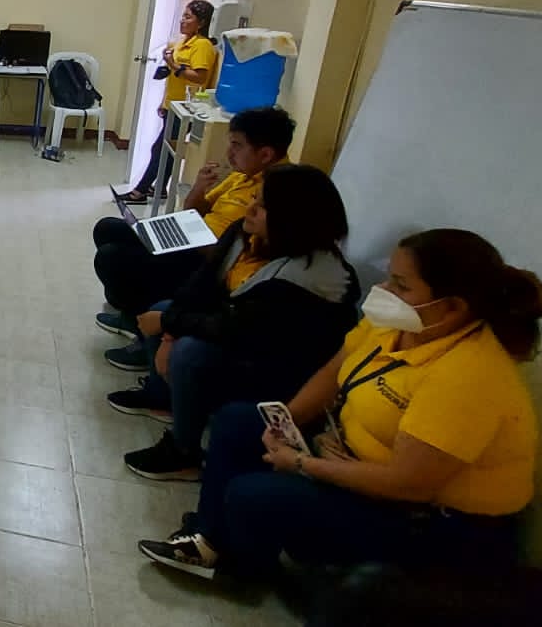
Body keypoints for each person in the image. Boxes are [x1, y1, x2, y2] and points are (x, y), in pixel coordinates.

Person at [137, 229, 542, 581]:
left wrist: (305, 464)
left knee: (252, 494)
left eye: (402, 286)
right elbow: (334, 372)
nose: (385, 291)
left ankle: (241, 565)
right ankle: (210, 539)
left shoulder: (469, 375)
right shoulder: (397, 326)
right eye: (390, 277)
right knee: (237, 422)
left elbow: (410, 484)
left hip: (430, 519)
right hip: (354, 457)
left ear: (454, 306)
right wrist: (285, 422)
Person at [108, 165, 360, 481]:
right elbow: (202, 284)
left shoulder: (313, 276)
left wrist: (171, 326)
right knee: (165, 311)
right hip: (241, 332)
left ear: (293, 219)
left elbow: (241, 329)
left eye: (263, 205)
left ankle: (183, 451)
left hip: (282, 370)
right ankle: (162, 399)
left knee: (189, 351)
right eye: (254, 198)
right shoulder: (247, 232)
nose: (250, 208)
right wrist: (169, 328)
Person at [94, 106, 295, 369]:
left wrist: (195, 243)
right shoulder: (242, 176)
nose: (229, 153)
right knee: (108, 228)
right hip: (193, 239)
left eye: (236, 145)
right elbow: (193, 210)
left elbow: (248, 255)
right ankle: (132, 313)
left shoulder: (279, 191)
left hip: (210, 262)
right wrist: (199, 188)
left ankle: (143, 331)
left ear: (266, 154)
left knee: (113, 257)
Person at [119, 0, 219, 204]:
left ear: (201, 22)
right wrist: (163, 103)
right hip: (172, 105)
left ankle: (139, 191)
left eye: (188, 17)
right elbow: (173, 77)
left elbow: (200, 77)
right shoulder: (182, 42)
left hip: (187, 108)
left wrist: (173, 64)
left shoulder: (202, 45)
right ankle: (160, 188)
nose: (182, 20)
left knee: (159, 149)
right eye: (183, 15)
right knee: (166, 149)